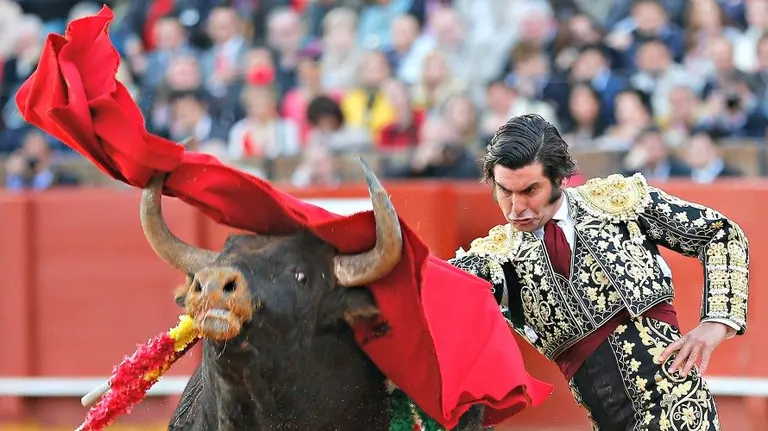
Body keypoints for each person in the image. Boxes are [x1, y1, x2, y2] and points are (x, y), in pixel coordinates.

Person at [448, 113, 750, 430]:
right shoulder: (492, 260)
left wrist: (717, 322)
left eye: (529, 190)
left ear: (558, 179)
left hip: (681, 411)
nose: (515, 207)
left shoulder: (619, 204)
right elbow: (429, 297)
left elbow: (719, 234)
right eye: (504, 191)